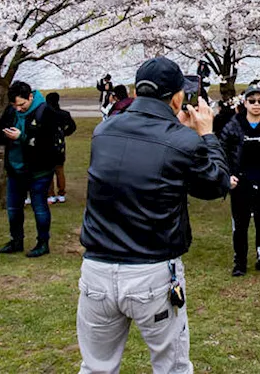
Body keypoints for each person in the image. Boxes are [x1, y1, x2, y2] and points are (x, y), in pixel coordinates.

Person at [77, 57, 228, 373]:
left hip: (97, 268)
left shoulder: (104, 131)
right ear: (177, 97)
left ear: (136, 89)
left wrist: (182, 138)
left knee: (95, 367)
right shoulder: (182, 140)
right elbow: (216, 184)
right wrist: (206, 135)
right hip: (151, 271)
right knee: (171, 367)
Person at [0, 81, 68, 259]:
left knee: (39, 206)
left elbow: (47, 144)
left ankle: (43, 242)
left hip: (39, 170)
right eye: (15, 105)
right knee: (13, 208)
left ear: (30, 97)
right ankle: (16, 240)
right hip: (15, 168)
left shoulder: (45, 112)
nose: (19, 109)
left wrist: (23, 137)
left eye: (22, 104)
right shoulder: (11, 112)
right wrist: (5, 135)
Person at [219, 86, 260, 276]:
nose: (257, 105)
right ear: (245, 103)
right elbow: (222, 152)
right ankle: (240, 261)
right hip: (241, 183)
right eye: (252, 101)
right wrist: (227, 174)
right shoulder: (233, 125)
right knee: (240, 224)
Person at [44, 93, 77, 205]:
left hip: (47, 145)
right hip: (60, 145)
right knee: (59, 170)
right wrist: (64, 133)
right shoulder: (64, 114)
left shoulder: (45, 115)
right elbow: (73, 127)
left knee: (48, 171)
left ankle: (51, 195)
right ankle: (61, 194)